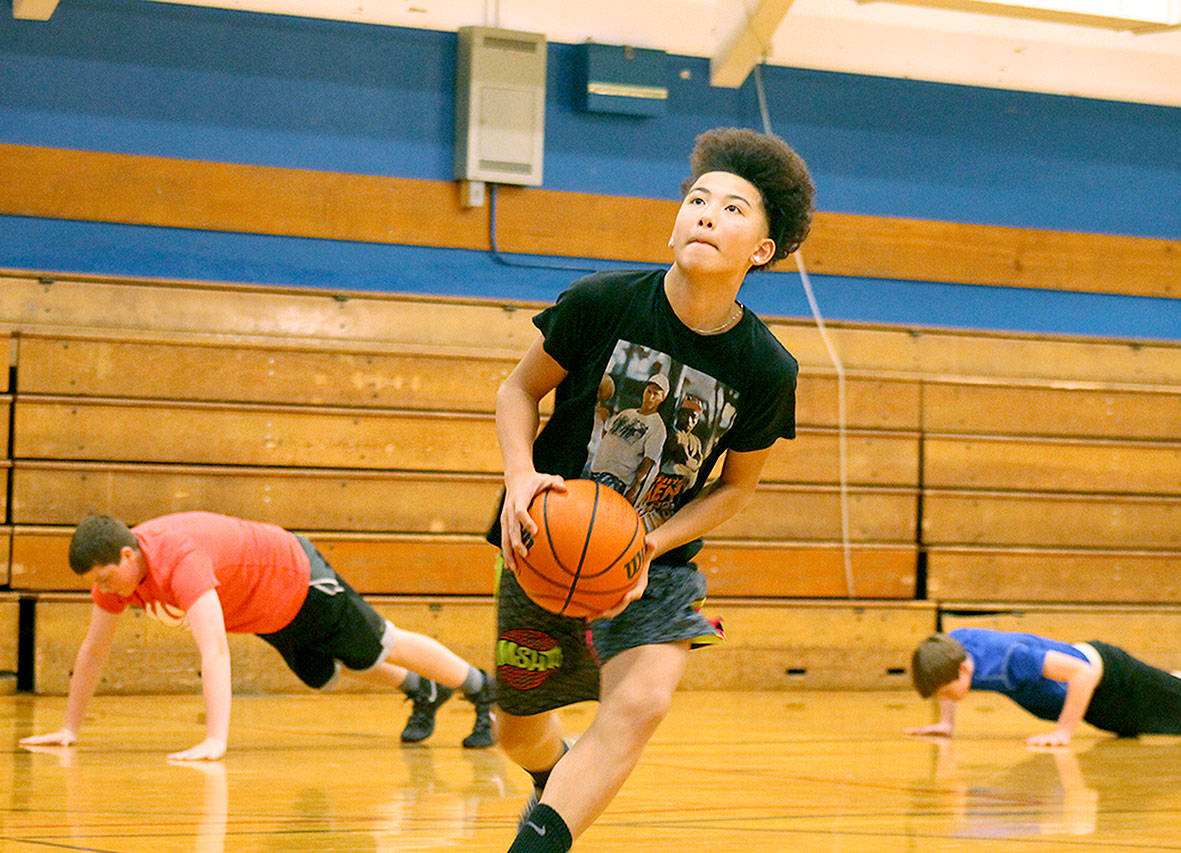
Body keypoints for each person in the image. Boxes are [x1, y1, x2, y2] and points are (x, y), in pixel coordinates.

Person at [490, 126, 815, 852]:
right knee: (514, 729)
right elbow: (517, 391)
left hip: (658, 562)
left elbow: (735, 488)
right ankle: (556, 777)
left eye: (734, 208)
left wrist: (648, 542)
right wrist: (519, 476)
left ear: (763, 249)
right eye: (697, 199)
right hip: (544, 539)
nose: (706, 213)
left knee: (641, 701)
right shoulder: (600, 302)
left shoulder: (768, 368)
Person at [19, 512, 497, 760]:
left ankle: (482, 690)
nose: (101, 591)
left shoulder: (179, 559)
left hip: (299, 580)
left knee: (382, 643)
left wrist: (215, 739)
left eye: (104, 578)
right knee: (329, 670)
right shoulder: (120, 581)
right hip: (268, 613)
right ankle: (423, 689)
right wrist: (70, 728)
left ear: (127, 556)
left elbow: (215, 651)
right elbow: (93, 649)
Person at [908, 628, 1181, 746]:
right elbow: (945, 676)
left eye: (947, 690)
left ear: (965, 666)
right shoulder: (950, 647)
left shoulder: (1011, 659)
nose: (947, 696)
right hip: (1098, 691)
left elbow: (1082, 674)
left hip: (1107, 680)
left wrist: (1063, 732)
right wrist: (947, 723)